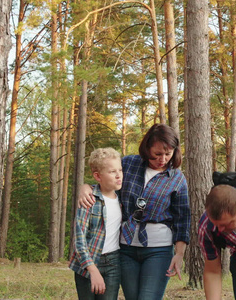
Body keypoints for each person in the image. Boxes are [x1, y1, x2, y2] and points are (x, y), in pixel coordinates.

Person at [78, 123, 191, 300]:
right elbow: (107, 180)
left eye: (168, 154)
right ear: (147, 149)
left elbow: (182, 219)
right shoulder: (129, 164)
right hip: (125, 249)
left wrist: (179, 254)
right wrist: (85, 187)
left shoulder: (177, 179)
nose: (163, 159)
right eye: (157, 154)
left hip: (158, 250)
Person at [69, 147, 123, 300]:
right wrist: (92, 270)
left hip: (113, 263)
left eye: (120, 170)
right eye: (112, 172)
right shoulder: (89, 199)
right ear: (98, 176)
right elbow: (79, 241)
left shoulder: (123, 198)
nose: (119, 175)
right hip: (87, 263)